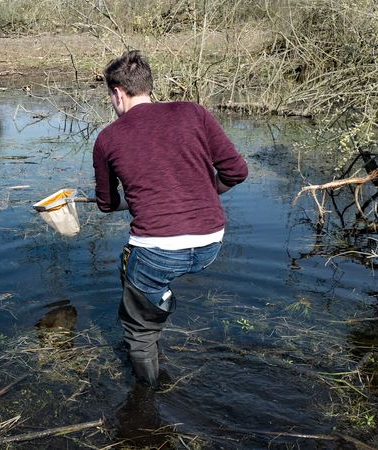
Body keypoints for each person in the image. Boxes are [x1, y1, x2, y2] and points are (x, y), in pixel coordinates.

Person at [93, 50, 248, 387]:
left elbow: (107, 204)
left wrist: (126, 200)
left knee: (138, 327)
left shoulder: (108, 138)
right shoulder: (193, 112)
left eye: (110, 96)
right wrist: (206, 190)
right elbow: (236, 172)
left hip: (157, 250)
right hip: (210, 243)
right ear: (148, 87)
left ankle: (147, 398)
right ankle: (156, 300)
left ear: (118, 93)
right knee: (135, 270)